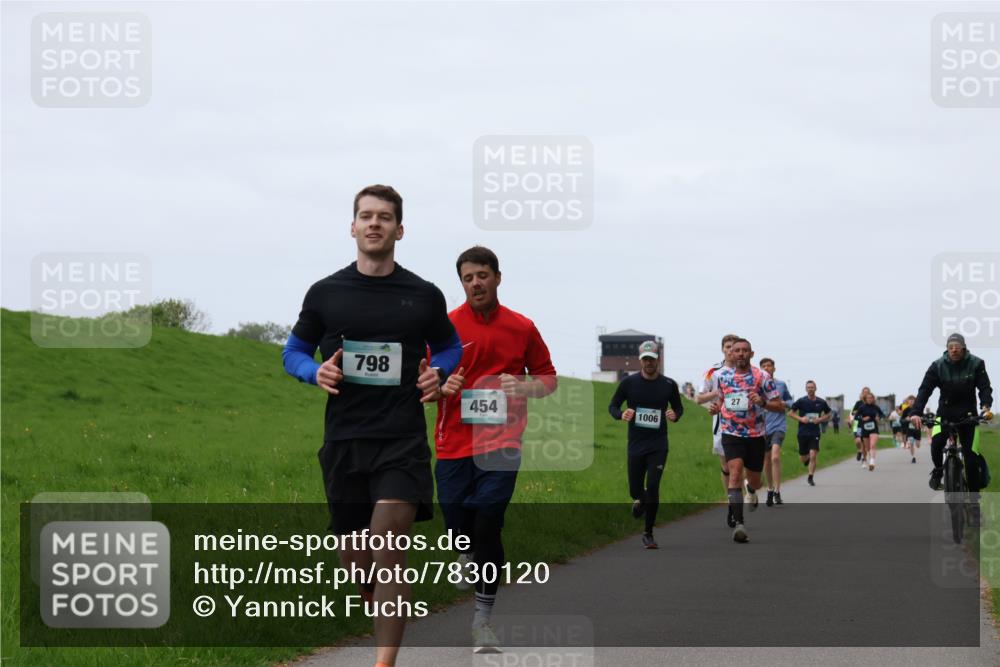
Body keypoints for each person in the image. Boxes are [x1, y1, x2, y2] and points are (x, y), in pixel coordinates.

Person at [282, 185, 463, 667]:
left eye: (384, 217)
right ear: (353, 226)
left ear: (399, 229)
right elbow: (293, 352)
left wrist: (438, 371)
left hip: (401, 439)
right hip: (344, 440)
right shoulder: (325, 293)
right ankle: (377, 595)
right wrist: (312, 371)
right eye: (366, 216)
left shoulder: (423, 295)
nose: (374, 223)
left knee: (387, 540)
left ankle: (384, 662)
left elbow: (450, 347)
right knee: (356, 557)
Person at [433, 246, 557, 652]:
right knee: (458, 524)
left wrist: (522, 386)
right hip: (453, 442)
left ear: (497, 278)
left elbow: (549, 380)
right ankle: (464, 554)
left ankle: (482, 620)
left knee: (488, 519)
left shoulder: (521, 327)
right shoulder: (445, 326)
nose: (476, 283)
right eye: (468, 278)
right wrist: (440, 387)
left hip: (502, 442)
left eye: (482, 275)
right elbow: (423, 385)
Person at [909, 333, 994, 525]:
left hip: (969, 416)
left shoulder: (976, 363)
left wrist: (986, 407)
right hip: (945, 414)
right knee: (936, 445)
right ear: (947, 349)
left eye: (957, 346)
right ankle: (939, 470)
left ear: (963, 348)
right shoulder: (938, 365)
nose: (953, 349)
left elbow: (984, 388)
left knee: (971, 459)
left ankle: (973, 504)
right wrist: (916, 411)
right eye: (950, 346)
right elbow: (925, 389)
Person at [705, 338, 784, 543]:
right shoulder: (722, 376)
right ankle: (739, 524)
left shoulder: (762, 376)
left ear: (751, 354)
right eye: (736, 350)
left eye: (744, 351)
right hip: (731, 434)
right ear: (730, 353)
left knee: (756, 481)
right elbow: (722, 399)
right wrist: (716, 407)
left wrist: (764, 402)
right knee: (735, 473)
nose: (739, 353)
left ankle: (751, 489)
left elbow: (779, 405)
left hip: (755, 435)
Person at [609, 340, 684, 549]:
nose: (648, 363)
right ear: (640, 361)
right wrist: (621, 414)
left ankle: (648, 533)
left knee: (652, 486)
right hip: (636, 444)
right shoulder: (629, 383)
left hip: (658, 444)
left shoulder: (669, 385)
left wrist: (674, 414)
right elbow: (613, 405)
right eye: (645, 360)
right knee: (635, 490)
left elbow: (678, 408)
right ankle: (640, 500)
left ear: (658, 360)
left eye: (652, 359)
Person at [697, 333, 741, 527]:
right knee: (726, 468)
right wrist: (716, 393)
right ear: (723, 349)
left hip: (744, 426)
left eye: (735, 347)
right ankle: (731, 503)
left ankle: (736, 504)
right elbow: (699, 398)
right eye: (728, 347)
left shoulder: (748, 372)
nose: (732, 350)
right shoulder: (713, 372)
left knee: (738, 468)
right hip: (721, 426)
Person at [758, 358, 794, 506]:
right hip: (762, 427)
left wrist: (785, 403)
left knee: (775, 457)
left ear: (774, 368)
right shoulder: (757, 385)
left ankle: (778, 491)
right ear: (760, 369)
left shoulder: (781, 384)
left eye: (769, 366)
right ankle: (770, 489)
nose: (767, 368)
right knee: (766, 460)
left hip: (779, 426)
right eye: (764, 366)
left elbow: (791, 401)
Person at [788, 381, 832, 486]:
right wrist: (801, 419)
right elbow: (790, 413)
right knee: (804, 457)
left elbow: (829, 414)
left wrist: (820, 419)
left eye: (812, 387)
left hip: (815, 432)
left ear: (815, 388)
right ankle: (805, 460)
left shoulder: (821, 402)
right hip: (803, 432)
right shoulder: (801, 401)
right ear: (806, 389)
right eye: (808, 387)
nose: (810, 389)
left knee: (813, 455)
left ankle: (810, 477)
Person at [855, 393, 885, 471]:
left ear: (873, 399)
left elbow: (882, 415)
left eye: (871, 398)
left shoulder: (876, 407)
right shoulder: (862, 407)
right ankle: (866, 458)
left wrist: (879, 417)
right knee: (867, 447)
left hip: (874, 428)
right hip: (864, 429)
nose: (869, 399)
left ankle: (872, 461)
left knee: (872, 445)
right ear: (865, 399)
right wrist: (862, 419)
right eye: (868, 398)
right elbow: (856, 417)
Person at [850, 387, 872, 466]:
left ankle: (864, 459)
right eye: (864, 392)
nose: (865, 393)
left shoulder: (871, 404)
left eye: (867, 392)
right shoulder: (858, 403)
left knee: (865, 443)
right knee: (858, 441)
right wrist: (859, 411)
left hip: (866, 425)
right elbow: (853, 412)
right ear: (862, 393)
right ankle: (859, 450)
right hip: (857, 424)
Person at [899, 394, 922, 462]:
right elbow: (901, 420)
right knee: (911, 443)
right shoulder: (906, 410)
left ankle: (917, 443)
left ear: (915, 401)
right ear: (908, 402)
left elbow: (923, 418)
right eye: (910, 400)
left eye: (913, 400)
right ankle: (913, 457)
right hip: (909, 430)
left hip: (917, 429)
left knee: (918, 445)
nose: (911, 402)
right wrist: (906, 419)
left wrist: (920, 419)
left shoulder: (918, 409)